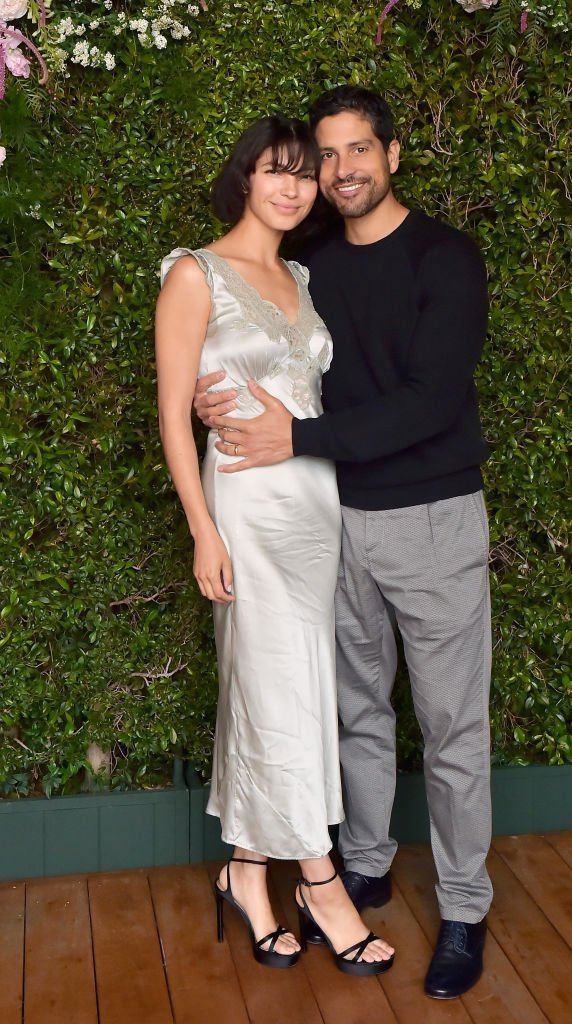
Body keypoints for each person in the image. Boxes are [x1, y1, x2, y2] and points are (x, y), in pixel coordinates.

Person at [194, 87, 492, 1000]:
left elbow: (431, 401)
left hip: (432, 517)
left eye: (359, 149)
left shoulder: (447, 257)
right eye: (326, 156)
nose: (342, 170)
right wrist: (220, 397)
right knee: (356, 713)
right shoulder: (310, 262)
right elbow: (253, 336)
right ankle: (361, 865)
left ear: (393, 154)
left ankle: (465, 910)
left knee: (449, 729)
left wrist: (297, 440)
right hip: (328, 522)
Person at [155, 113, 394, 975]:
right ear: (245, 178)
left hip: (314, 507)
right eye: (276, 171)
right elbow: (176, 416)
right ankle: (321, 884)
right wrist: (201, 529)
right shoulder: (194, 274)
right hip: (247, 513)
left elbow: (311, 397)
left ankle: (248, 872)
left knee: (287, 691)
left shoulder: (301, 272)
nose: (293, 187)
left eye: (304, 174)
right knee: (279, 686)